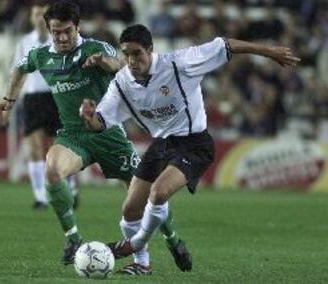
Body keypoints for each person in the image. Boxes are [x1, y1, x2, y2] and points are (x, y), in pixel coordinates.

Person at [80, 24, 300, 270]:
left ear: (150, 50)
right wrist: (90, 119)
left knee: (159, 193)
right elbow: (101, 121)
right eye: (126, 54)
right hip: (161, 144)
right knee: (131, 209)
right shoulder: (121, 82)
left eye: (137, 53)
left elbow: (225, 45)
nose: (131, 60)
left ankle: (136, 242)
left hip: (193, 143)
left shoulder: (179, 63)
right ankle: (142, 265)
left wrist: (269, 52)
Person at [0, 1, 188, 275]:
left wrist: (106, 63)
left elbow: (122, 65)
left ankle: (173, 240)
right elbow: (20, 68)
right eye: (56, 31)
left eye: (67, 31)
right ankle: (73, 240)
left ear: (78, 27)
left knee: (147, 195)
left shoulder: (95, 48)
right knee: (52, 171)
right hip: (74, 135)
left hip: (108, 134)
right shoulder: (41, 55)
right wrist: (8, 101)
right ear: (48, 28)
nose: (62, 37)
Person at [14, 0, 79, 210]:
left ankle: (70, 188)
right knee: (34, 147)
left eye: (42, 14)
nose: (39, 18)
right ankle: (41, 196)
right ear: (33, 18)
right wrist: (11, 99)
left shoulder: (61, 40)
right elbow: (19, 71)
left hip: (57, 96)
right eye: (36, 14)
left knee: (60, 147)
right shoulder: (25, 42)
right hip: (33, 98)